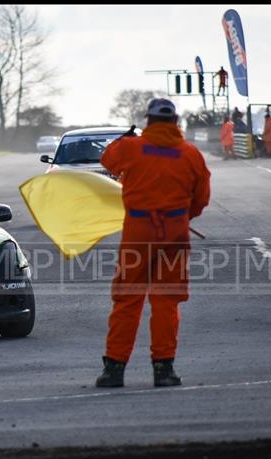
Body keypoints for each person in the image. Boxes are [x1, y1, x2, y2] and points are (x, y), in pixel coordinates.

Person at [96, 98, 210, 388]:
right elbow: (201, 199)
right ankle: (163, 369)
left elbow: (107, 160)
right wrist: (182, 216)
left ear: (148, 120)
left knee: (127, 300)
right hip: (174, 234)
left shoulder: (131, 148)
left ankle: (114, 369)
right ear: (175, 122)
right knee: (167, 302)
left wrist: (124, 138)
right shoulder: (191, 154)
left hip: (138, 232)